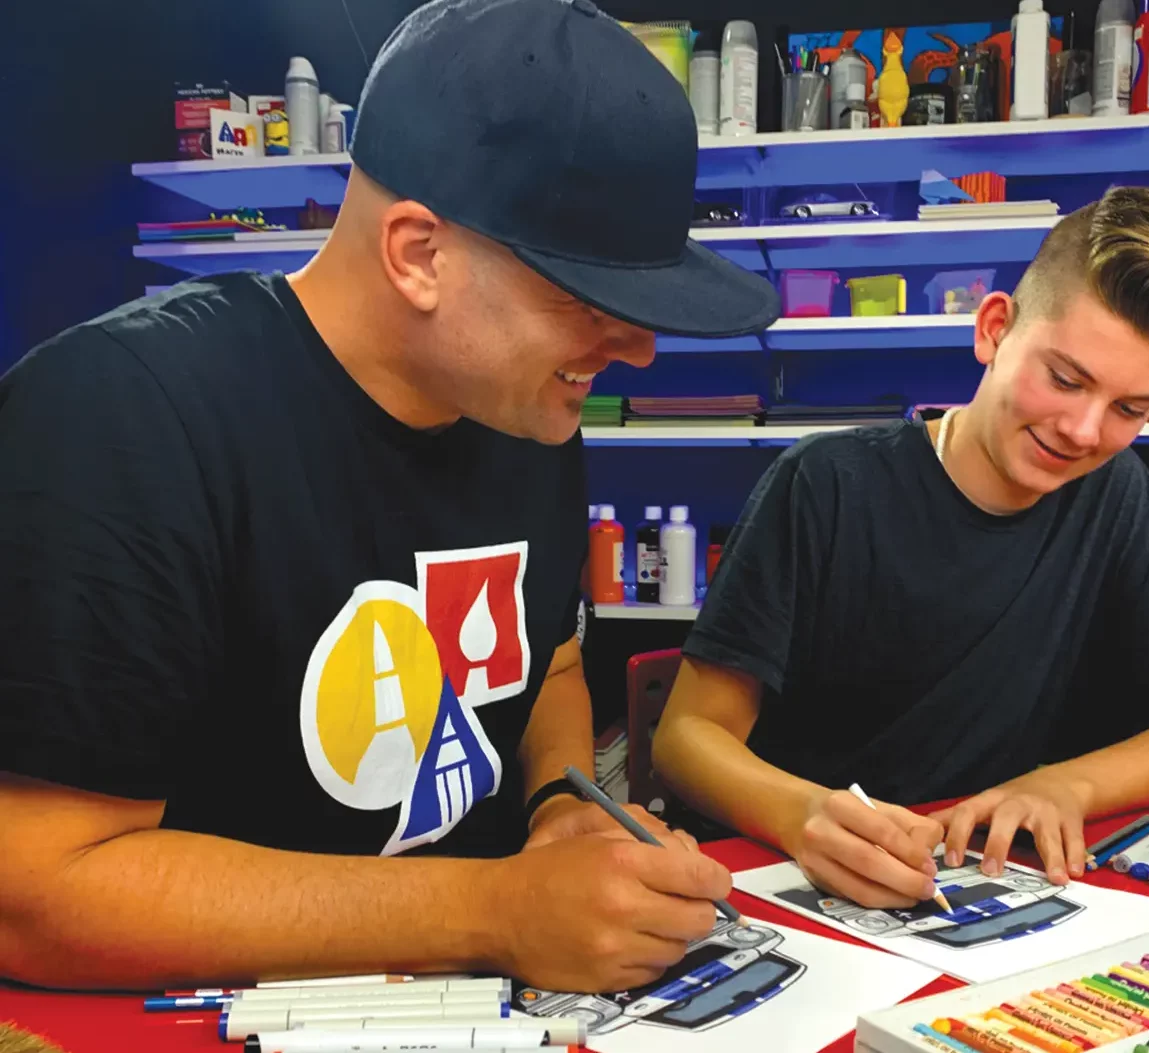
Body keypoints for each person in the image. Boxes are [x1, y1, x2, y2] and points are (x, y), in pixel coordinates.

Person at [0, 0, 779, 992]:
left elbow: (550, 661)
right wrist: (496, 911)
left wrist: (562, 804)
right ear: (418, 254)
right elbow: (34, 893)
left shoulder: (522, 409)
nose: (639, 349)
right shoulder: (124, 418)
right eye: (592, 302)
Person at [653, 186, 1149, 910]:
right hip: (788, 884)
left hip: (971, 895)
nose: (1085, 431)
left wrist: (1063, 784)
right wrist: (801, 814)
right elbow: (685, 737)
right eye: (1065, 379)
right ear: (994, 329)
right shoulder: (823, 485)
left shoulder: (1113, 492)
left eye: (1131, 408)